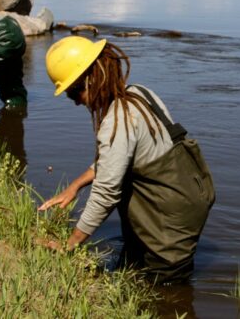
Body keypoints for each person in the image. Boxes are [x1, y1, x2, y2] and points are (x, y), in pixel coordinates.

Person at [39, 36, 215, 284]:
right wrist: (75, 185)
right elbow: (119, 159)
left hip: (167, 225)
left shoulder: (117, 122)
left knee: (161, 292)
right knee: (140, 278)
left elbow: (106, 192)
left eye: (74, 92)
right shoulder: (139, 94)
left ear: (93, 78)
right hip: (185, 198)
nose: (76, 101)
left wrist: (70, 244)